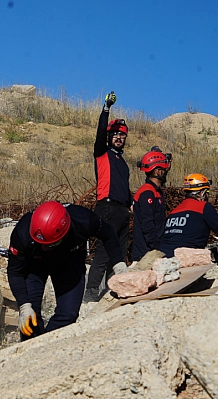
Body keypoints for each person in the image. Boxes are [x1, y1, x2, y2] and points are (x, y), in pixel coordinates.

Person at [8, 201, 125, 341]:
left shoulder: (83, 220)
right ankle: (28, 352)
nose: (45, 248)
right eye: (41, 244)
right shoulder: (22, 233)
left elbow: (108, 233)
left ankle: (48, 345)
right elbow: (15, 272)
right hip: (35, 265)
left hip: (69, 261)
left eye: (49, 245)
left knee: (68, 314)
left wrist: (119, 264)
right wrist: (24, 305)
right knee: (30, 317)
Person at [85, 91, 132, 302]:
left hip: (122, 210)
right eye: (115, 134)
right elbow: (100, 132)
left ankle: (113, 292)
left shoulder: (123, 163)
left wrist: (131, 203)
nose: (119, 137)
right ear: (109, 137)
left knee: (119, 255)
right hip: (107, 207)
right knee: (104, 253)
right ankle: (91, 292)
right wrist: (106, 108)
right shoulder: (102, 153)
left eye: (122, 135)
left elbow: (124, 186)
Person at [131, 148, 172, 261]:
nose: (165, 172)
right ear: (157, 172)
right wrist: (156, 248)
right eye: (164, 170)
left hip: (151, 252)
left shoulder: (155, 191)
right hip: (146, 255)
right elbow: (148, 223)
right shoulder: (147, 193)